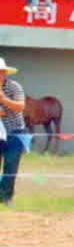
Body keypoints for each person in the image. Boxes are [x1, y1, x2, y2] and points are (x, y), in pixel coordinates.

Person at [0, 59, 25, 205]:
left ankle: (7, 197)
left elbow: (21, 107)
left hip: (14, 131)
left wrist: (4, 99)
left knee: (11, 166)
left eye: (2, 72)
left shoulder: (14, 87)